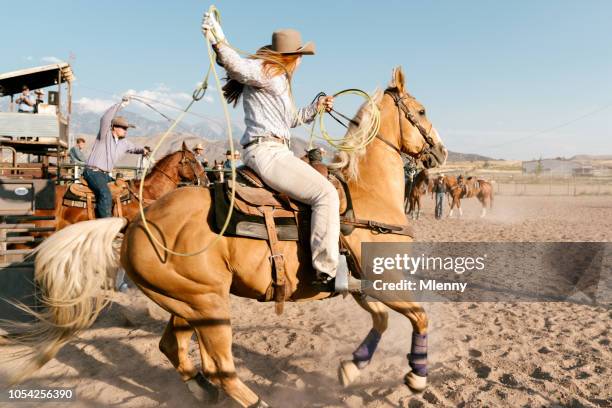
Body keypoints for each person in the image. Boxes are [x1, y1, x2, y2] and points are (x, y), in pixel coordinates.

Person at [202, 14, 340, 288]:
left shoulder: (278, 81)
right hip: (269, 152)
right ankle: (326, 269)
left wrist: (316, 107)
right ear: (294, 57)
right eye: (301, 57)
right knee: (326, 194)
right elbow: (237, 66)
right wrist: (218, 39)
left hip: (271, 150)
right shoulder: (270, 73)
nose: (301, 62)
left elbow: (289, 120)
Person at [83, 97, 147, 218]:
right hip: (93, 172)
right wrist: (120, 105)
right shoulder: (104, 135)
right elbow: (105, 118)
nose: (125, 130)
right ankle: (105, 224)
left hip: (105, 175)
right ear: (114, 128)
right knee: (105, 194)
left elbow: (134, 148)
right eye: (123, 128)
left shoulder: (124, 143)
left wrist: (144, 150)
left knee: (123, 190)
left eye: (126, 128)